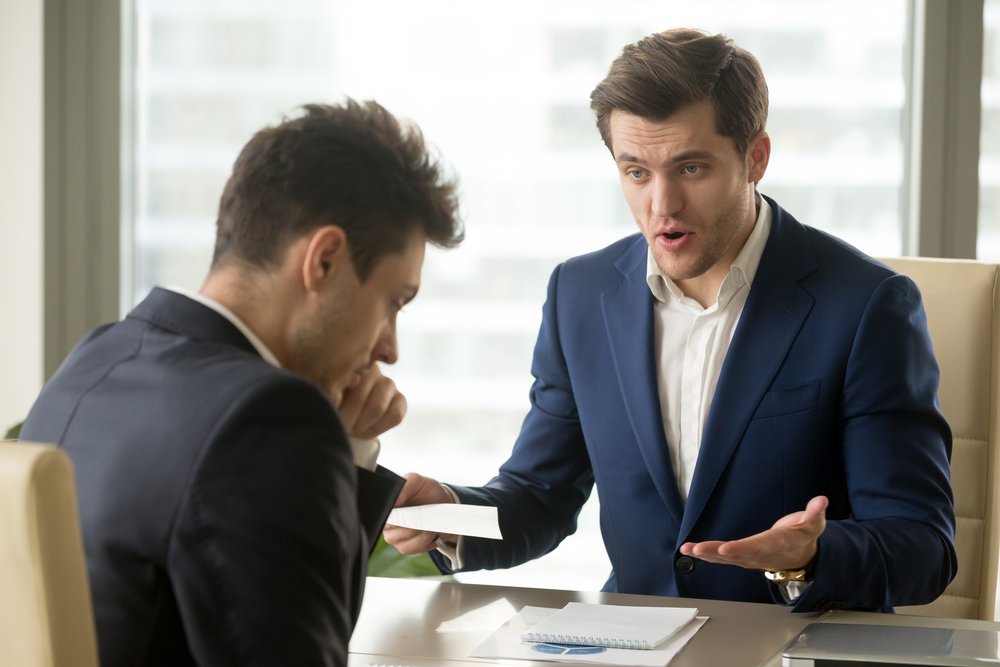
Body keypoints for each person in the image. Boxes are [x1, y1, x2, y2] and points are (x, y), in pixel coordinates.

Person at [385, 29, 957, 613]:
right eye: (636, 172)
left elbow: (923, 545)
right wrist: (450, 512)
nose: (662, 205)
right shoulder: (579, 295)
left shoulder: (867, 306)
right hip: (630, 645)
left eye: (690, 169)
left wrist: (811, 556)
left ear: (755, 157)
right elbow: (541, 495)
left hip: (795, 646)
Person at [20, 100, 463, 665]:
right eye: (393, 302)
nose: (389, 348)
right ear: (323, 260)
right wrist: (340, 452)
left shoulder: (95, 359)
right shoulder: (269, 420)